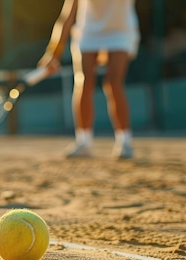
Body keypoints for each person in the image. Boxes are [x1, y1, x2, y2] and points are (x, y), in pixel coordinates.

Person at [38, 0, 140, 159]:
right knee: (84, 81)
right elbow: (67, 15)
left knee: (113, 82)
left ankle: (124, 141)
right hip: (88, 31)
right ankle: (84, 142)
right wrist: (54, 52)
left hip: (121, 30)